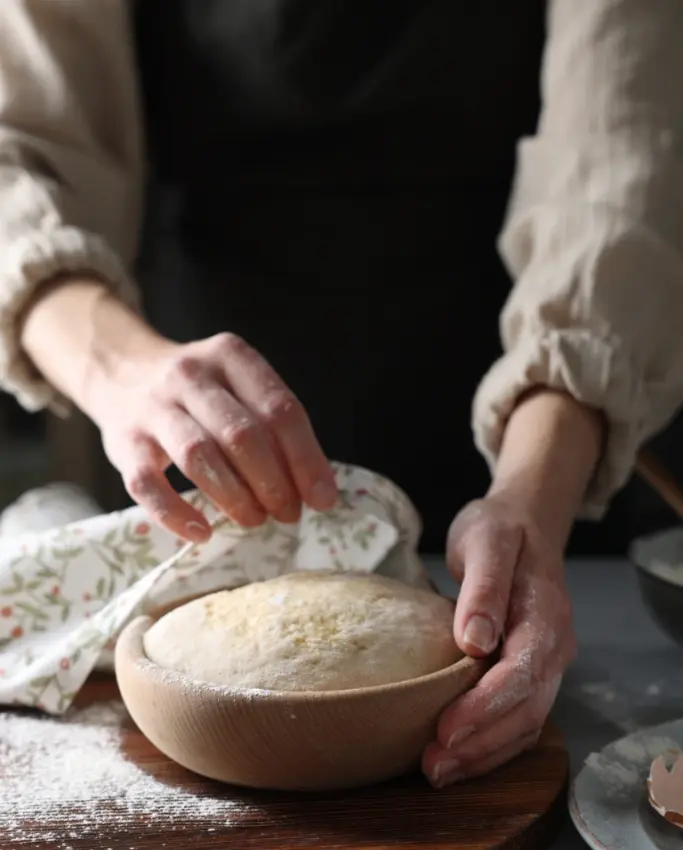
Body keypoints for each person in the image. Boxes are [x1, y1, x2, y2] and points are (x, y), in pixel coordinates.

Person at [1, 1, 683, 788]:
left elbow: (620, 164)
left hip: (521, 390)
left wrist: (534, 495)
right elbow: (20, 148)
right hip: (200, 410)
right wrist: (118, 364)